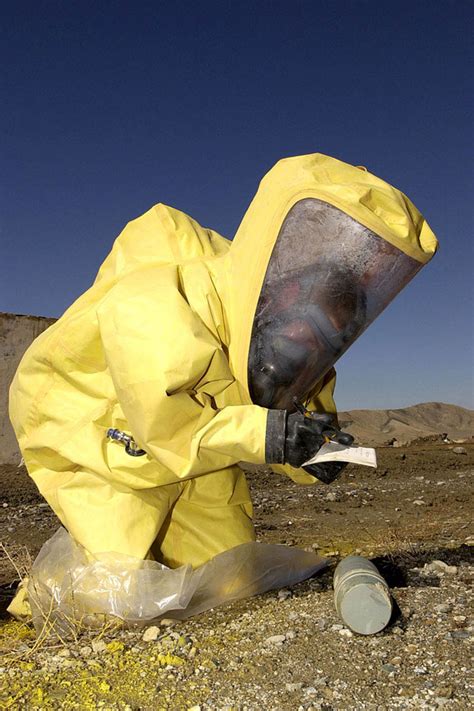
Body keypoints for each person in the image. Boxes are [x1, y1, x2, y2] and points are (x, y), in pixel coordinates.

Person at [8, 153, 437, 618]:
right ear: (287, 291)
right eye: (311, 322)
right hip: (98, 431)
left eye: (329, 335)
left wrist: (313, 455)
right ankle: (41, 602)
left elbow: (295, 421)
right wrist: (268, 437)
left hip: (200, 448)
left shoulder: (290, 351)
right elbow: (166, 427)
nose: (312, 342)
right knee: (117, 593)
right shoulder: (161, 301)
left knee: (229, 581)